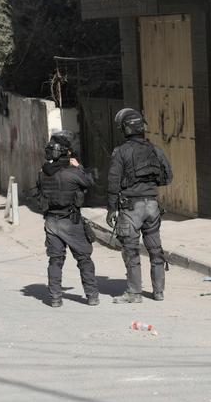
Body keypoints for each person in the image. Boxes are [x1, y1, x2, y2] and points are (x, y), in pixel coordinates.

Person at [106, 108, 173, 303]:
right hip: (152, 206)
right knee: (155, 249)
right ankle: (158, 292)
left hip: (130, 208)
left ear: (125, 129)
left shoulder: (121, 152)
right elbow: (168, 177)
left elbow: (113, 182)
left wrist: (111, 208)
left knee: (131, 250)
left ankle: (134, 294)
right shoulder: (155, 150)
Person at [31, 131, 100, 307]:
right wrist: (78, 167)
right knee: (84, 258)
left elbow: (36, 192)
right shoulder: (72, 173)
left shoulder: (43, 173)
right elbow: (89, 181)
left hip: (51, 221)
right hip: (71, 221)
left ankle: (55, 298)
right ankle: (92, 295)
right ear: (65, 152)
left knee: (55, 260)